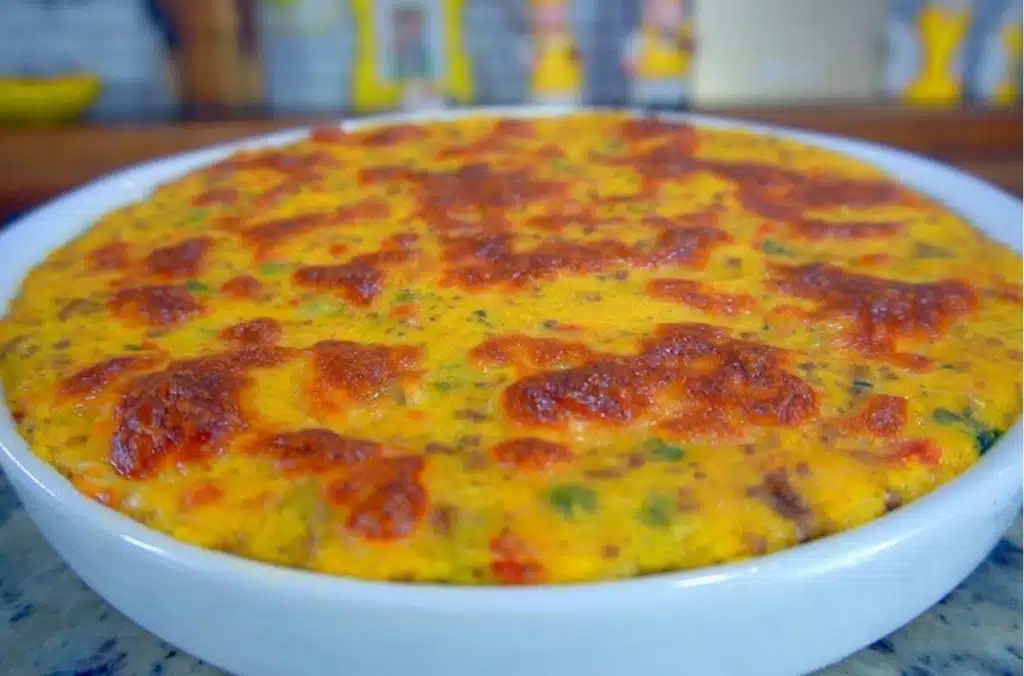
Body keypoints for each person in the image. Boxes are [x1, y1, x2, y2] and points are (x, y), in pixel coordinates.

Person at [622, 0, 694, 110]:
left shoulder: (683, 36)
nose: (665, 16)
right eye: (659, 10)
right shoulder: (640, 37)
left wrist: (673, 36)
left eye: (672, 11)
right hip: (647, 97)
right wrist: (637, 65)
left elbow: (691, 48)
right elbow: (628, 66)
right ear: (647, 13)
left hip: (676, 98)